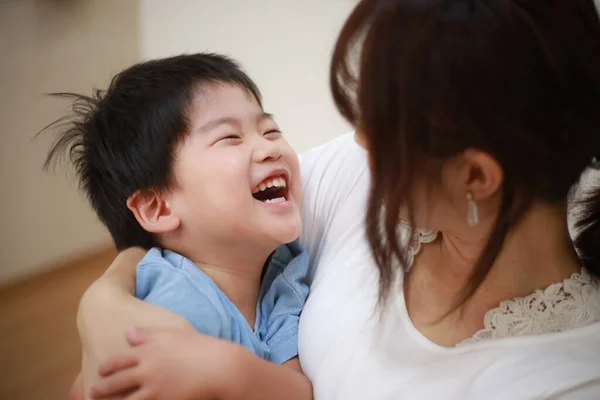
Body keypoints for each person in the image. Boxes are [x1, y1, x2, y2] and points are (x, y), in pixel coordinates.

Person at [77, 0, 600, 399]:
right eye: (231, 137)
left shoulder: (562, 380)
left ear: (475, 176)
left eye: (384, 121)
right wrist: (102, 305)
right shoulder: (352, 181)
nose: (360, 140)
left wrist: (228, 372)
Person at [41, 53, 312, 399]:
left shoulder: (285, 270)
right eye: (230, 137)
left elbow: (298, 391)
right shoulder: (170, 299)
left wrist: (230, 370)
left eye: (270, 130)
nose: (268, 147)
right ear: (157, 208)